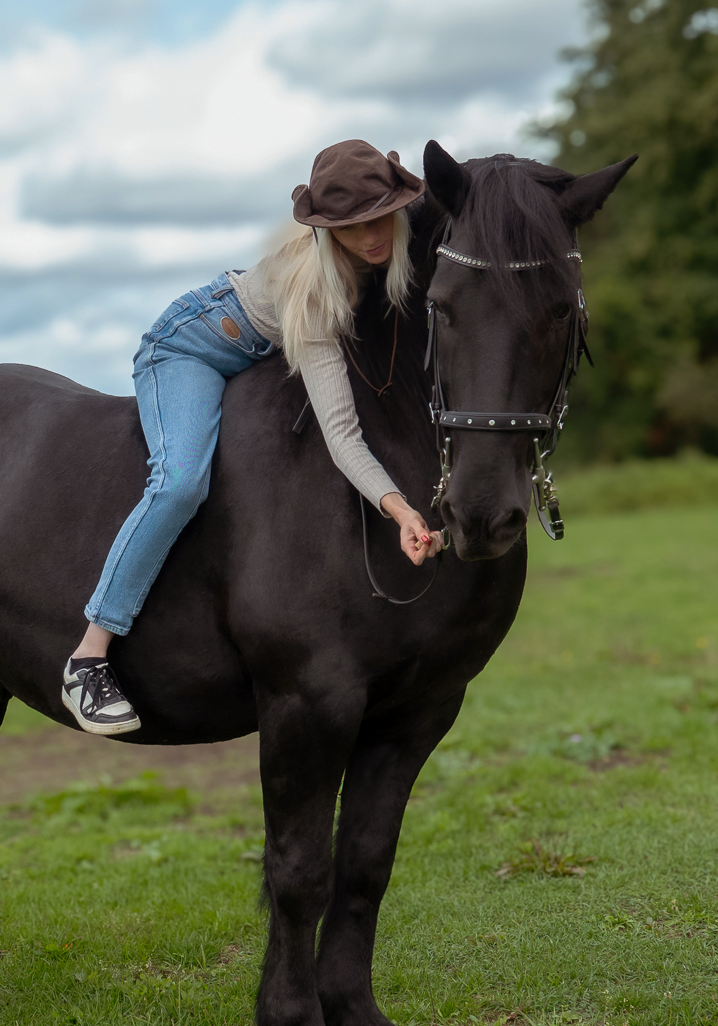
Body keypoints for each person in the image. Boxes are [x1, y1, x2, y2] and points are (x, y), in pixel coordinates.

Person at [61, 140, 446, 736]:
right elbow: (342, 435)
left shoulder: (393, 238)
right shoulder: (317, 294)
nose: (371, 237)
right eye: (351, 227)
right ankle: (89, 656)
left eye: (380, 218)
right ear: (327, 231)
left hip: (259, 351)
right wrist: (398, 509)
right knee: (180, 484)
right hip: (192, 344)